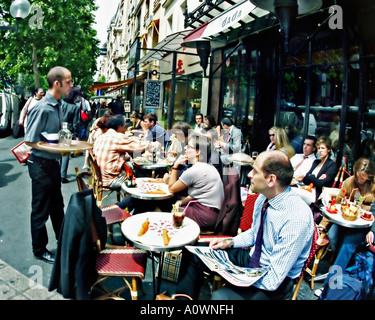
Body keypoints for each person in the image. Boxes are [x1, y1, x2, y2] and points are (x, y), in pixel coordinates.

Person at [175, 150, 314, 300]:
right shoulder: (263, 198)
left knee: (221, 297)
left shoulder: (296, 218)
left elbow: (274, 279)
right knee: (192, 252)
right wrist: (229, 242)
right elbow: (255, 233)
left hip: (273, 279)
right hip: (253, 258)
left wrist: (234, 275)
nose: (249, 175)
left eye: (255, 171)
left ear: (271, 180)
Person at [24, 66, 73, 263]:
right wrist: (55, 149)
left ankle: (63, 240)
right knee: (40, 209)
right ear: (57, 83)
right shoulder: (42, 107)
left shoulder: (58, 104)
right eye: (68, 82)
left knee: (57, 206)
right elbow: (30, 140)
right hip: (40, 164)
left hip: (52, 163)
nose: (71, 85)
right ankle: (39, 248)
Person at [319, 158, 375, 268]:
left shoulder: (373, 186)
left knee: (348, 242)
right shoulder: (350, 182)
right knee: (333, 235)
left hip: (364, 225)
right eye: (358, 176)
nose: (359, 180)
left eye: (363, 178)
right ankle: (339, 263)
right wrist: (323, 224)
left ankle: (339, 271)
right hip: (345, 220)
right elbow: (336, 204)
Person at [168, 133, 224, 232]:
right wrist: (180, 202)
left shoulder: (194, 171)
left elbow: (171, 188)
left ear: (197, 152)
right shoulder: (208, 167)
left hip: (203, 217)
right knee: (175, 201)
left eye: (189, 146)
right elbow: (197, 194)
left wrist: (175, 165)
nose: (185, 148)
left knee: (167, 202)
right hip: (213, 215)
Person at [93, 114, 132, 189]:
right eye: (124, 127)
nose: (125, 129)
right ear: (119, 127)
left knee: (128, 165)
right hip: (111, 181)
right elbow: (139, 147)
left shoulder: (101, 137)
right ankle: (133, 198)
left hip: (99, 179)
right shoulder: (117, 137)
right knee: (136, 172)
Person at [60, 87, 81, 183]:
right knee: (65, 154)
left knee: (57, 152)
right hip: (68, 130)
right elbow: (76, 122)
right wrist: (76, 134)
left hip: (57, 128)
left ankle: (57, 173)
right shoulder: (75, 107)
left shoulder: (61, 103)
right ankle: (62, 175)